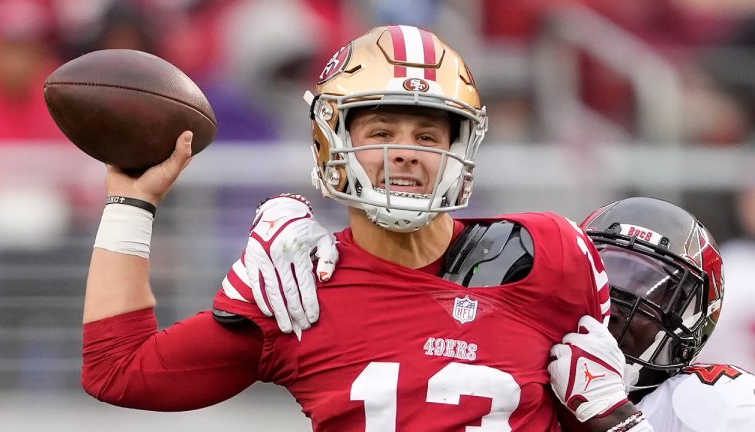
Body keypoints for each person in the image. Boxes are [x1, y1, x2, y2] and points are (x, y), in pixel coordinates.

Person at [80, 25, 640, 430]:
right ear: (333, 144)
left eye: (427, 136)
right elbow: (120, 372)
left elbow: (621, 397)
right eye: (381, 132)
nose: (405, 154)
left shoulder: (550, 254)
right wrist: (131, 202)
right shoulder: (297, 286)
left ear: (459, 148)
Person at [258, 195, 755, 431]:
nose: (623, 298)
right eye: (611, 271)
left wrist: (617, 420)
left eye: (654, 291)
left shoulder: (712, 403)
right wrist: (318, 243)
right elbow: (407, 291)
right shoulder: (510, 365)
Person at [550, 196, 755, 431]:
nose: (611, 308)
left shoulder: (715, 405)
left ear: (692, 319)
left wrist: (618, 420)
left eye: (642, 290)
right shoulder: (519, 375)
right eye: (598, 281)